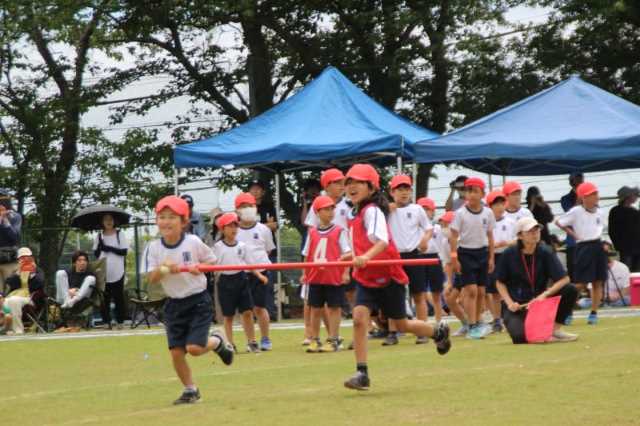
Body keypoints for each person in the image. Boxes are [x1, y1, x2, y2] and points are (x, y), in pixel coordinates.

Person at [340, 164, 451, 391]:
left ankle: (437, 331)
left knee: (401, 324)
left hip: (388, 275)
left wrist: (365, 257)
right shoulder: (354, 213)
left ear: (371, 187)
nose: (352, 186)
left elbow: (381, 242)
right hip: (366, 277)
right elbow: (363, 243)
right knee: (360, 318)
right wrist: (351, 255)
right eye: (349, 182)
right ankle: (362, 373)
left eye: (358, 182)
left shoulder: (372, 211)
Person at [143, 195, 234, 405]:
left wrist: (199, 268)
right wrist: (164, 268)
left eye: (172, 217)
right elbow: (152, 278)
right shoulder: (154, 248)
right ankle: (190, 390)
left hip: (198, 301)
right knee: (176, 352)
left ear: (184, 222)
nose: (165, 221)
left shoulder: (193, 242)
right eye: (161, 217)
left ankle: (218, 341)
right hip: (173, 304)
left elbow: (212, 262)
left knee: (193, 349)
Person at [496, 217, 578, 344]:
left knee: (570, 289)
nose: (535, 234)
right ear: (520, 236)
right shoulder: (509, 254)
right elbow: (499, 282)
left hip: (540, 302)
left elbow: (564, 279)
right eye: (529, 231)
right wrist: (509, 303)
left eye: (537, 230)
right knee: (519, 338)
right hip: (517, 306)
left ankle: (554, 329)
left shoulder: (545, 251)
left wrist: (544, 295)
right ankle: (538, 331)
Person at [301, 195, 351, 353]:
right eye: (326, 209)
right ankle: (315, 339)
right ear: (317, 212)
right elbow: (307, 254)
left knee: (334, 308)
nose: (330, 212)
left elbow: (348, 253)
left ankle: (334, 338)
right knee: (315, 309)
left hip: (333, 276)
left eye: (332, 209)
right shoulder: (313, 232)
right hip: (316, 276)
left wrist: (345, 272)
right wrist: (304, 273)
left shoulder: (339, 231)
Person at [387, 175, 432, 345]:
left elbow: (428, 228)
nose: (404, 193)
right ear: (392, 192)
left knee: (418, 294)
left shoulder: (417, 209)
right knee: (392, 294)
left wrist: (425, 240)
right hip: (394, 256)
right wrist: (386, 209)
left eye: (407, 189)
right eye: (400, 189)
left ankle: (423, 332)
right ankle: (392, 332)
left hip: (413, 254)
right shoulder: (387, 210)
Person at [213, 213, 268, 353]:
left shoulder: (242, 246)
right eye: (230, 226)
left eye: (235, 225)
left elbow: (249, 263)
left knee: (248, 312)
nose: (234, 229)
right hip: (225, 282)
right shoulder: (218, 246)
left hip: (241, 279)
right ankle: (230, 343)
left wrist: (259, 275)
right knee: (228, 315)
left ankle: (252, 341)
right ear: (222, 229)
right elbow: (213, 264)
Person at [449, 177, 495, 340]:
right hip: (466, 254)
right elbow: (453, 236)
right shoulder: (460, 213)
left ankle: (477, 322)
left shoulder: (488, 213)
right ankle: (472, 325)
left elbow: (490, 236)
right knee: (471, 291)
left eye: (475, 191)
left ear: (483, 194)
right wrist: (454, 258)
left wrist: (491, 258)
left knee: (482, 291)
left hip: (482, 253)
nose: (472, 194)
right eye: (469, 191)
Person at [556, 182, 606, 325]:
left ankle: (594, 313)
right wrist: (574, 235)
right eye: (593, 194)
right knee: (580, 284)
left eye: (596, 193)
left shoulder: (600, 212)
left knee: (598, 281)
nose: (597, 196)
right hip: (583, 247)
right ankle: (567, 311)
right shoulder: (576, 211)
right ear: (584, 197)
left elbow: (599, 229)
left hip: (597, 245)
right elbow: (559, 222)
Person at [235, 192, 276, 351]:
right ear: (237, 210)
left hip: (262, 271)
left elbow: (269, 250)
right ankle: (251, 341)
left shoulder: (263, 229)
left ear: (256, 207)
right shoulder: (234, 230)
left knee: (260, 307)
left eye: (250, 206)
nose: (247, 209)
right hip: (242, 274)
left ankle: (265, 338)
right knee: (245, 310)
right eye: (243, 206)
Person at [486, 190, 516, 333]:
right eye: (495, 204)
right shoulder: (486, 222)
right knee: (494, 291)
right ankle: (497, 319)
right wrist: (493, 246)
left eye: (501, 203)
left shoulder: (510, 222)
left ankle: (512, 316)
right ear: (490, 206)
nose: (499, 207)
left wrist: (507, 243)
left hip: (508, 256)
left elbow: (518, 239)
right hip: (493, 256)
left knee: (510, 288)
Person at [93, 214, 129, 329]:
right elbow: (97, 254)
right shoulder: (99, 236)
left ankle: (120, 321)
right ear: (102, 222)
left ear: (114, 221)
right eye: (106, 220)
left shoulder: (119, 234)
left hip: (118, 269)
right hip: (104, 270)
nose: (108, 222)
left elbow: (124, 251)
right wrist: (100, 246)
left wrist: (109, 248)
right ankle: (106, 321)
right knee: (105, 297)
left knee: (119, 297)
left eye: (111, 219)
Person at [417, 197, 445, 324]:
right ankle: (422, 321)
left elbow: (440, 245)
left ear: (433, 211)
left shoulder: (437, 228)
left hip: (434, 257)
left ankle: (439, 320)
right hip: (419, 258)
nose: (425, 212)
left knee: (436, 292)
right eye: (422, 209)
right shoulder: (415, 228)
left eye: (427, 209)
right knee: (419, 292)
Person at [4, 247, 45, 334]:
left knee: (13, 300)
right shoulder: (16, 272)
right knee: (5, 301)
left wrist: (32, 274)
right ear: (18, 260)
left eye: (27, 258)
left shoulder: (38, 271)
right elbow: (10, 283)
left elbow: (39, 284)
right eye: (22, 258)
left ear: (32, 258)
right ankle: (8, 329)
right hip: (15, 296)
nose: (25, 260)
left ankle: (18, 330)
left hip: (30, 298)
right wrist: (19, 272)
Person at [608, 186, 640, 272]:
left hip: (636, 248)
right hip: (626, 249)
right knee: (626, 271)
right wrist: (619, 245)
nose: (637, 197)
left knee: (636, 273)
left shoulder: (635, 212)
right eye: (635, 195)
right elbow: (612, 231)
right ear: (627, 197)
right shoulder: (616, 211)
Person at [560, 172, 584, 283]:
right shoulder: (565, 198)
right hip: (573, 241)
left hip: (587, 239)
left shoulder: (588, 196)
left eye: (581, 178)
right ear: (571, 182)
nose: (580, 181)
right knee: (574, 272)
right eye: (577, 179)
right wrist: (579, 199)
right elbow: (570, 214)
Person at [0, 189, 22, 293]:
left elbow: (15, 237)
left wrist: (5, 221)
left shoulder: (15, 217)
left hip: (10, 262)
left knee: (10, 293)